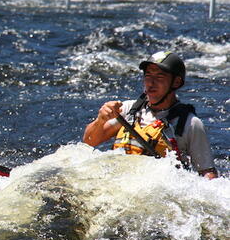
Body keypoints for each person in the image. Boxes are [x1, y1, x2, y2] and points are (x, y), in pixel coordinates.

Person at [82, 51, 217, 179]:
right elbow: (89, 141)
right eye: (148, 76)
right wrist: (100, 120)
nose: (151, 83)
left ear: (176, 82)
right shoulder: (128, 110)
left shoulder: (190, 124)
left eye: (159, 77)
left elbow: (207, 174)